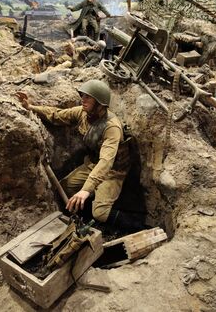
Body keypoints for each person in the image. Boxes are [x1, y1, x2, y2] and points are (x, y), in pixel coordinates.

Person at [16, 80, 144, 232]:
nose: (83, 99)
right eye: (83, 95)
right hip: (91, 164)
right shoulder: (83, 113)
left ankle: (137, 227)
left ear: (100, 103)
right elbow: (56, 115)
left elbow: (106, 163)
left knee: (100, 212)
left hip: (112, 172)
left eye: (88, 97)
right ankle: (84, 212)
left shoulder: (112, 127)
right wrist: (30, 107)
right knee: (64, 188)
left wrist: (86, 190)